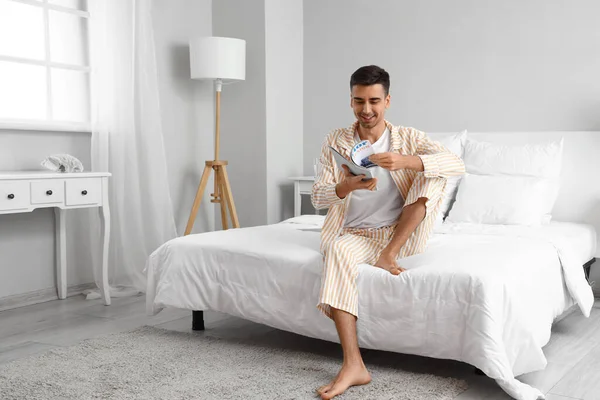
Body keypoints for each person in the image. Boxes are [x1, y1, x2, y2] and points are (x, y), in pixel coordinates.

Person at [311, 65, 465, 399]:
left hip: (399, 235)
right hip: (355, 233)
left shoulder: (408, 138)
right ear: (351, 101)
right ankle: (354, 365)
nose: (366, 109)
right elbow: (318, 196)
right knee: (337, 251)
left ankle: (388, 255)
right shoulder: (335, 140)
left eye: (374, 101)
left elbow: (457, 165)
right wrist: (344, 186)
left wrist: (405, 161)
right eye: (359, 101)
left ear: (388, 100)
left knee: (432, 170)